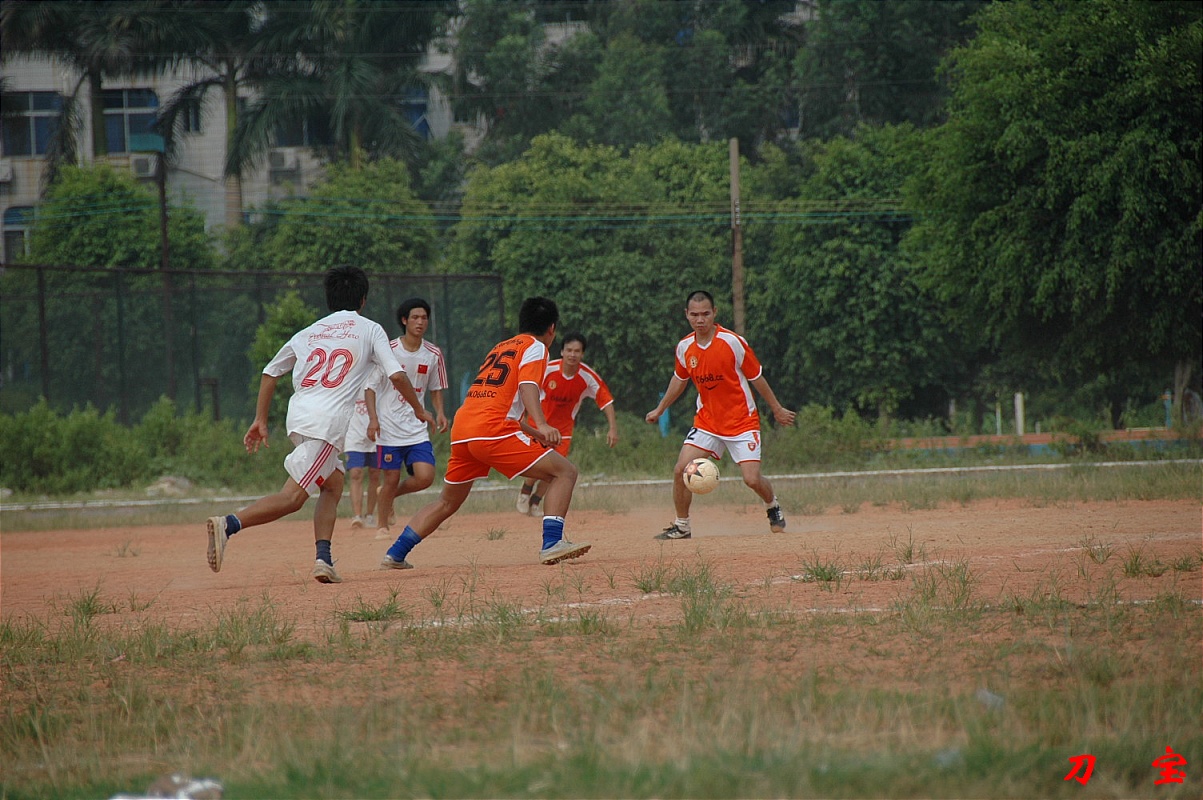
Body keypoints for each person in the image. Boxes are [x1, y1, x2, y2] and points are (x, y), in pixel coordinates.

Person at [205, 265, 433, 584]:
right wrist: (419, 409)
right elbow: (396, 375)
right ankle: (228, 524)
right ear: (363, 299)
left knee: (334, 483)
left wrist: (260, 419)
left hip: (301, 416)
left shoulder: (309, 332)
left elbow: (270, 372)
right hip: (325, 425)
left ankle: (323, 560)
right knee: (293, 498)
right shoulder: (369, 329)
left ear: (329, 299)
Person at [379, 296, 591, 569]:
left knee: (447, 502)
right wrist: (542, 424)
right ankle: (552, 543)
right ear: (552, 329)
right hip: (492, 430)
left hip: (465, 429)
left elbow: (501, 406)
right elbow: (527, 386)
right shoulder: (536, 347)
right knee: (565, 472)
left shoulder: (501, 347)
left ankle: (395, 554)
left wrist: (535, 433)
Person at [644, 290, 796, 539]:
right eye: (694, 315)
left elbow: (757, 377)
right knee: (681, 469)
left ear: (714, 313)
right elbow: (679, 379)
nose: (700, 319)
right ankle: (682, 526)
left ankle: (772, 505)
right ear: (686, 315)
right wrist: (660, 409)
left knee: (751, 479)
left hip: (742, 421)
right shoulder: (684, 347)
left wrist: (777, 409)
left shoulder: (732, 342)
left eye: (705, 314)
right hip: (707, 422)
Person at [369, 298, 450, 541]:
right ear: (404, 320)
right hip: (389, 427)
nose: (420, 322)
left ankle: (388, 495)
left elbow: (436, 387)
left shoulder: (433, 353)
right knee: (391, 477)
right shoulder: (389, 350)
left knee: (425, 477)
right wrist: (373, 419)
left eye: (424, 318)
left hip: (416, 426)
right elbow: (370, 387)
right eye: (415, 317)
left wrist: (440, 412)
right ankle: (382, 526)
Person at [516, 333, 617, 517]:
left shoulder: (587, 376)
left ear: (582, 354)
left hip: (563, 431)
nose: (572, 355)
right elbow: (526, 389)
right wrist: (521, 416)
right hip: (539, 426)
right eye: (569, 350)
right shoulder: (548, 369)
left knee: (556, 470)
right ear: (562, 351)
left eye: (577, 351)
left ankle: (535, 502)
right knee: (538, 464)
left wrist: (612, 428)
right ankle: (525, 492)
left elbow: (606, 401)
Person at [343, 384, 381, 529]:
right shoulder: (350, 378)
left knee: (375, 473)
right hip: (354, 433)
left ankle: (369, 515)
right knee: (355, 473)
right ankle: (357, 516)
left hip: (377, 432)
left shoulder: (378, 376)